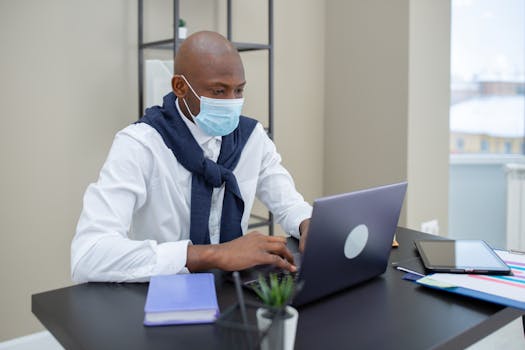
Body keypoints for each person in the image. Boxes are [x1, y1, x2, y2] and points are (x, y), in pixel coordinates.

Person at [71, 31, 312, 283]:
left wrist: (307, 223)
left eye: (238, 91)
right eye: (219, 91)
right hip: (161, 294)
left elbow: (289, 204)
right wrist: (212, 254)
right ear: (180, 87)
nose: (231, 102)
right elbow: (88, 254)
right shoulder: (140, 145)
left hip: (237, 291)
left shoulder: (253, 138)